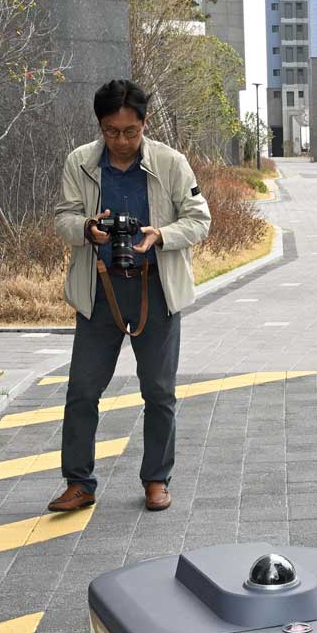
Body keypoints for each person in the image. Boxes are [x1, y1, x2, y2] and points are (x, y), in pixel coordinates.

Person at [48, 80, 211, 513]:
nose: (120, 141)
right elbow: (63, 216)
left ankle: (157, 479)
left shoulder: (170, 163)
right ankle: (79, 482)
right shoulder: (80, 163)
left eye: (130, 131)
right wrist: (86, 228)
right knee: (82, 390)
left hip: (155, 288)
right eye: (111, 131)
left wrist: (162, 235)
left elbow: (199, 220)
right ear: (99, 126)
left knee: (159, 392)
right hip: (98, 288)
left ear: (144, 123)